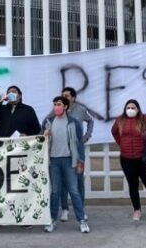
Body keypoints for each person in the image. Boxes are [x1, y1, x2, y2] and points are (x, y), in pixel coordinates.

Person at [42, 87, 94, 222]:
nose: (58, 105)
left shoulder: (79, 111)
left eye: (67, 96)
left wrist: (87, 135)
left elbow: (90, 121)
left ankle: (81, 211)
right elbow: (45, 124)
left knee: (77, 184)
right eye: (61, 97)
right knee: (59, 187)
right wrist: (45, 133)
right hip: (55, 157)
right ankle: (64, 209)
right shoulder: (54, 115)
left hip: (75, 154)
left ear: (73, 98)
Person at [111, 99, 146, 222]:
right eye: (128, 107)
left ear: (138, 109)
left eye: (133, 107)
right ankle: (137, 210)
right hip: (126, 158)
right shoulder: (120, 120)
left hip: (142, 158)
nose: (130, 110)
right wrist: (121, 143)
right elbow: (114, 132)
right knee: (133, 185)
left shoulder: (144, 119)